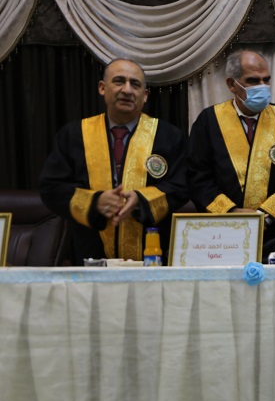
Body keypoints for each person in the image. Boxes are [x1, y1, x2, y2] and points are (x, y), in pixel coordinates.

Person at [39, 58, 187, 264]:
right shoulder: (74, 135)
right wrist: (95, 201)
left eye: (135, 84)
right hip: (89, 255)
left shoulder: (169, 136)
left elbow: (181, 186)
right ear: (102, 87)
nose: (127, 90)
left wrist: (141, 200)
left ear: (145, 95)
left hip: (152, 257)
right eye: (119, 81)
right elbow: (51, 187)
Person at [187, 50, 275, 254]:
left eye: (266, 80)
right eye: (252, 81)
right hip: (223, 235)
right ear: (231, 84)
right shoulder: (209, 122)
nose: (262, 86)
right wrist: (232, 212)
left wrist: (265, 217)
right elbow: (197, 176)